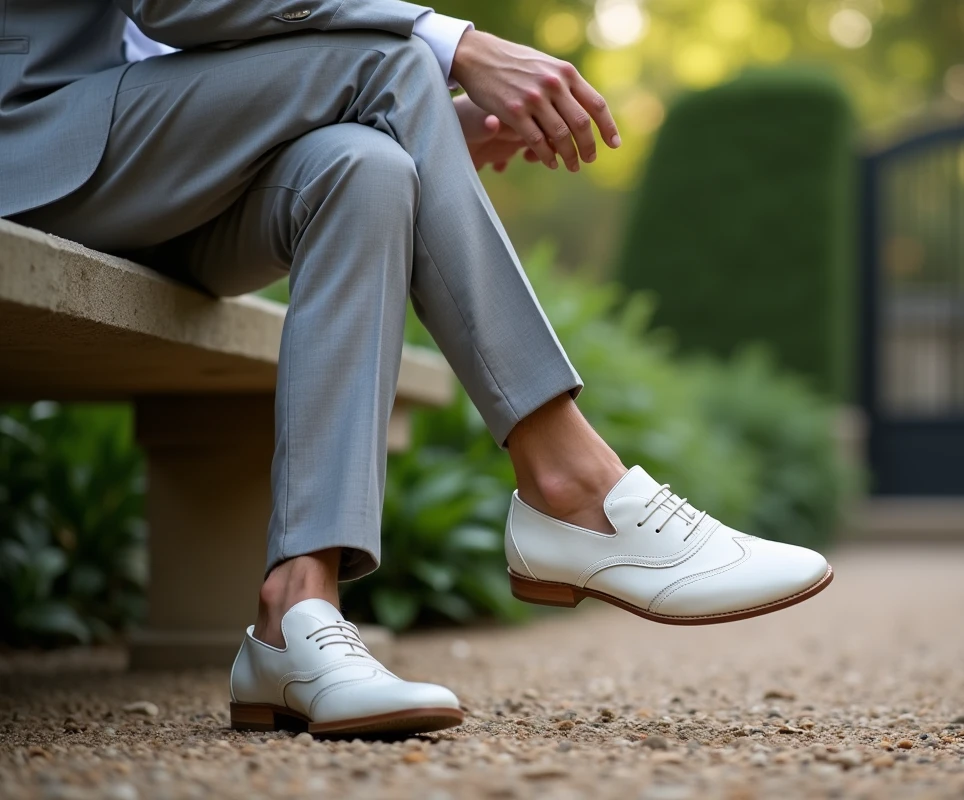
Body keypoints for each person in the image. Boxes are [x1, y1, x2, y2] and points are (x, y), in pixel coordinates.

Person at [0, 1, 833, 737]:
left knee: (367, 168)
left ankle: (297, 612)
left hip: (151, 161)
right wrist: (455, 45)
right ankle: (572, 486)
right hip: (34, 135)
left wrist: (424, 119)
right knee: (396, 60)